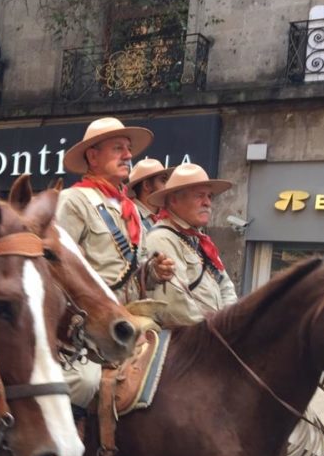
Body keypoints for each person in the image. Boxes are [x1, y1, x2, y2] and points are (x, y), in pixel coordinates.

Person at [57, 117, 175, 407]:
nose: (127, 155)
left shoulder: (129, 209)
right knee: (83, 383)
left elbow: (132, 270)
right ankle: (73, 444)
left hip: (128, 318)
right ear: (93, 156)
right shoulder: (73, 200)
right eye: (118, 148)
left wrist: (153, 272)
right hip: (87, 327)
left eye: (128, 149)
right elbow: (55, 267)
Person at [144, 163, 237, 327]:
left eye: (209, 196)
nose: (207, 202)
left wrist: (229, 324)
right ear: (173, 200)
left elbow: (225, 286)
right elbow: (175, 307)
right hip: (189, 342)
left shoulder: (199, 240)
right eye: (199, 196)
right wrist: (217, 333)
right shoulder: (162, 238)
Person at [127, 158, 173, 232]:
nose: (167, 186)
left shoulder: (169, 217)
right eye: (163, 180)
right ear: (147, 185)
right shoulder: (127, 216)